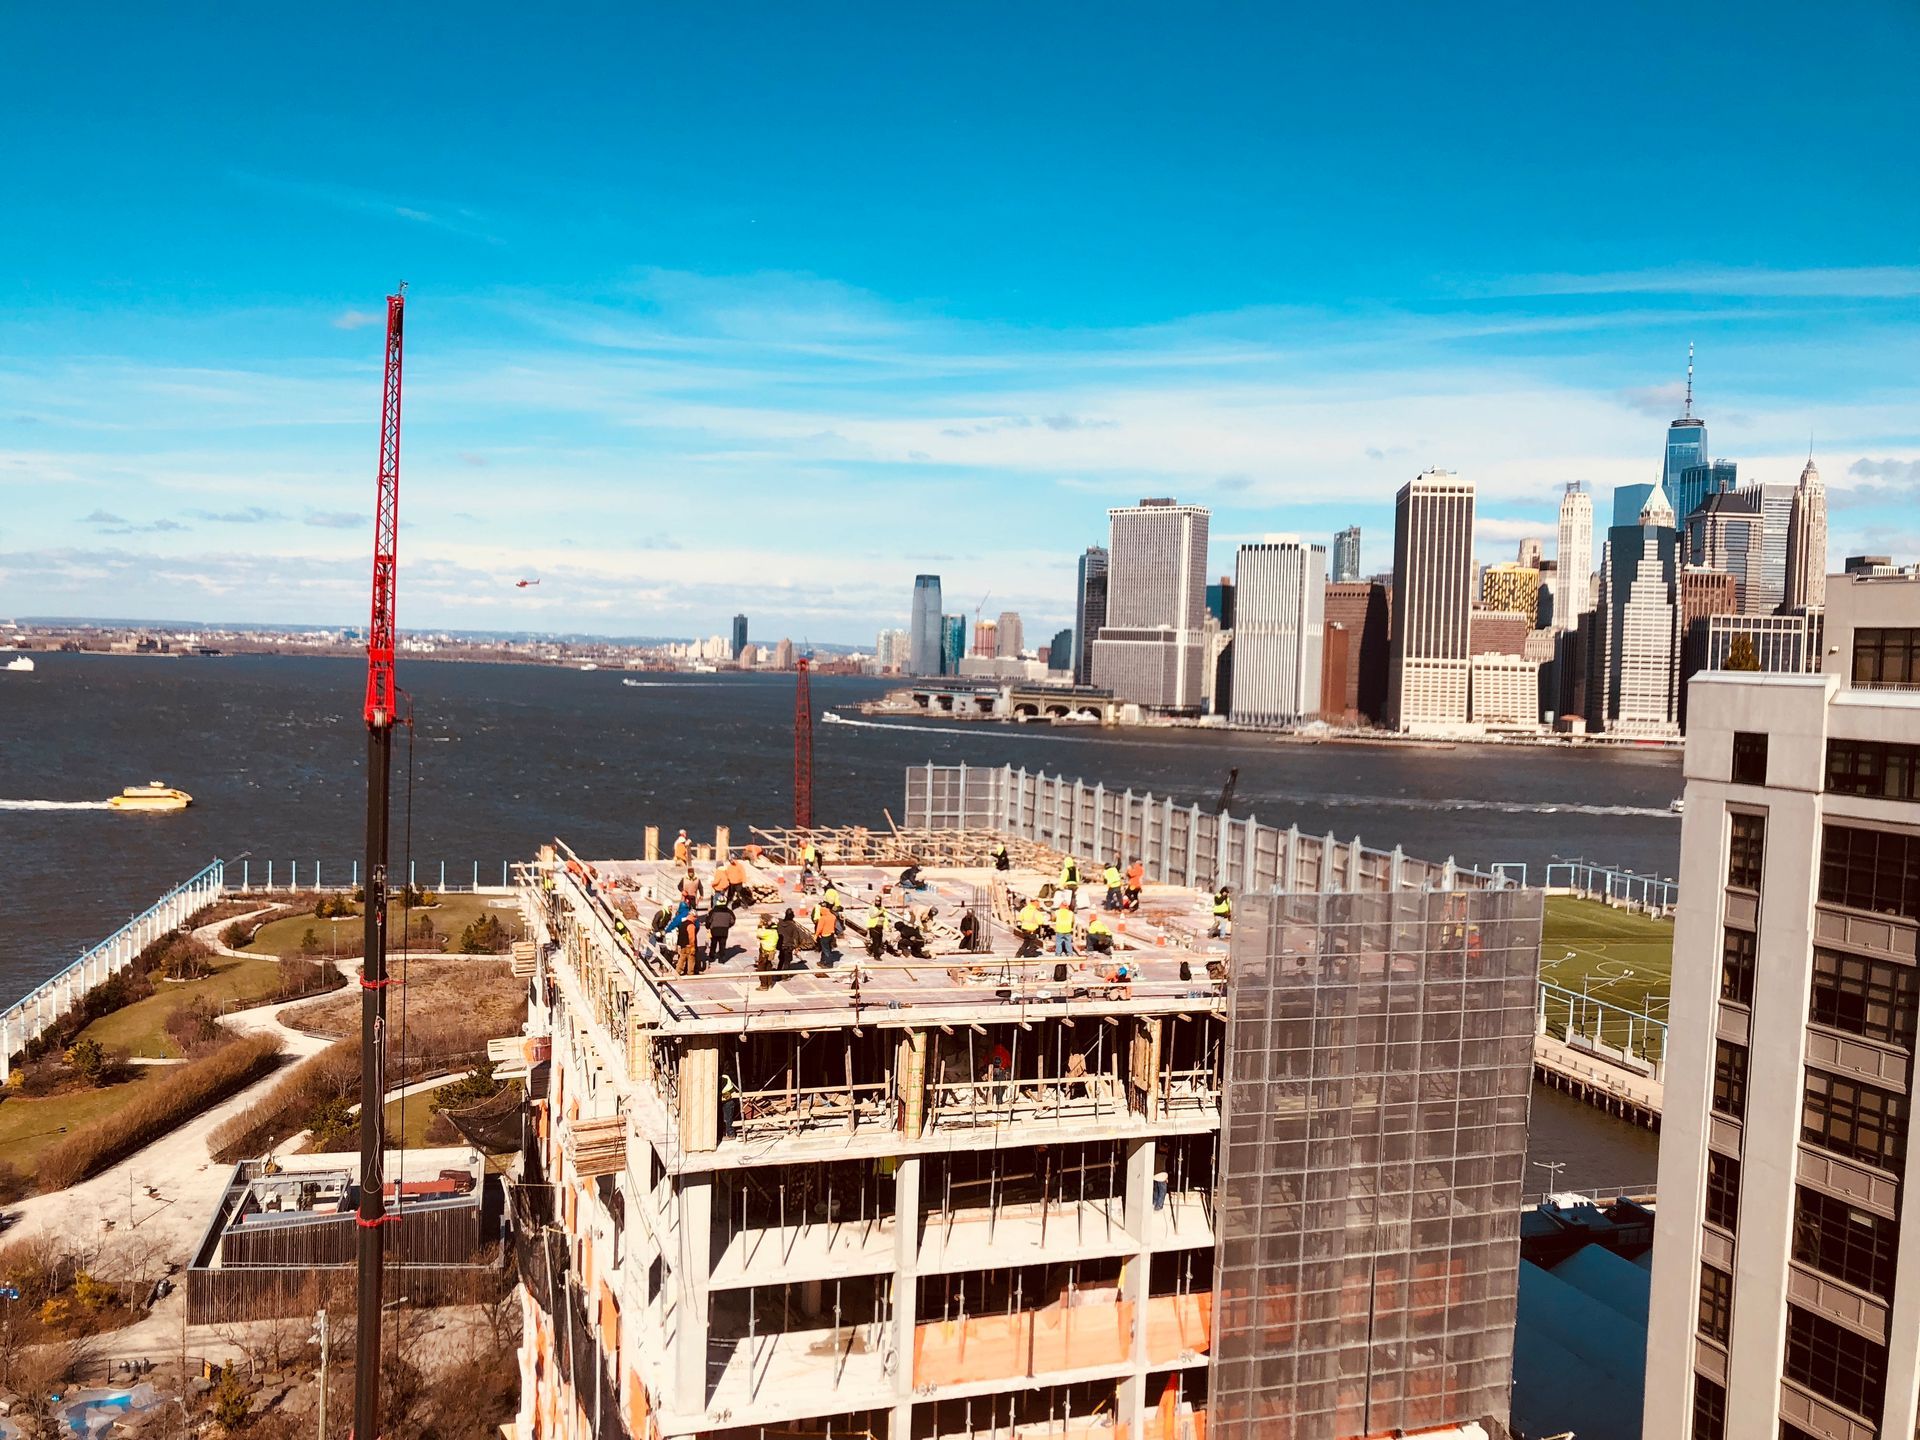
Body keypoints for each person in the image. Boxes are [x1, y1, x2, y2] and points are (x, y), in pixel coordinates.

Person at [705, 898, 736, 964]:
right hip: (724, 930)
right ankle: (721, 959)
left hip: (714, 930)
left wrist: (708, 927)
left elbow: (708, 920)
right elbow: (733, 920)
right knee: (722, 945)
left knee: (713, 943)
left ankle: (711, 957)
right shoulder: (729, 911)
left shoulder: (713, 911)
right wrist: (728, 926)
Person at [813, 899, 840, 968]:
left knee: (826, 950)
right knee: (826, 949)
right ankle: (822, 961)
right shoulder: (833, 916)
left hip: (824, 935)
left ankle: (829, 964)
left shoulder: (823, 918)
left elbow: (819, 928)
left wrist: (815, 936)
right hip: (831, 935)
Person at [755, 914, 779, 985]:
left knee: (761, 968)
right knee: (768, 966)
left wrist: (760, 926)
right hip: (771, 952)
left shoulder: (767, 933)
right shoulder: (774, 931)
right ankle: (769, 982)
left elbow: (758, 934)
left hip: (764, 952)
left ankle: (764, 985)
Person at [676, 909, 700, 976]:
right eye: (695, 917)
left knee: (681, 958)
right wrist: (693, 947)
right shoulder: (691, 925)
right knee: (691, 959)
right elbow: (691, 937)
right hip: (689, 945)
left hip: (682, 944)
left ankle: (677, 971)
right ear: (693, 916)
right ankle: (690, 973)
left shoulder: (682, 923)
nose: (696, 919)